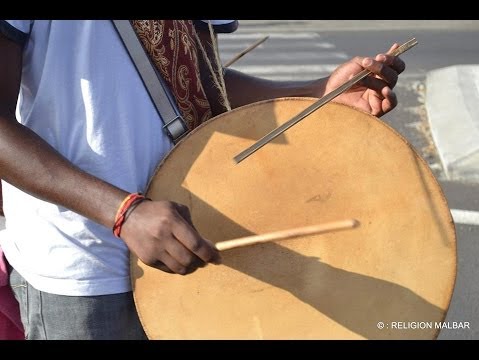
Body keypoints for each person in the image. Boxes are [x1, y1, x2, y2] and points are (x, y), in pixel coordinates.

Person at [0, 20, 405, 340]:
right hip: (86, 268)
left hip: (199, 244)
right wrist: (124, 213)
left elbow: (197, 85)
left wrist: (315, 95)